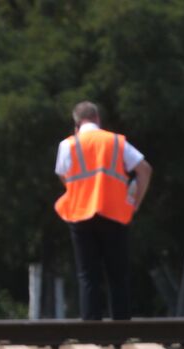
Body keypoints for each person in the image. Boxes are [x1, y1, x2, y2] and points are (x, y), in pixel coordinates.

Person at [54, 101, 152, 320]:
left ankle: (92, 326)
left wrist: (79, 191)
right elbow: (144, 169)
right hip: (114, 213)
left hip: (80, 214)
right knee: (117, 274)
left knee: (88, 274)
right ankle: (121, 326)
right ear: (98, 119)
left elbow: (63, 173)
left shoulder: (68, 145)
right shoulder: (116, 142)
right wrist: (135, 202)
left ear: (76, 123)